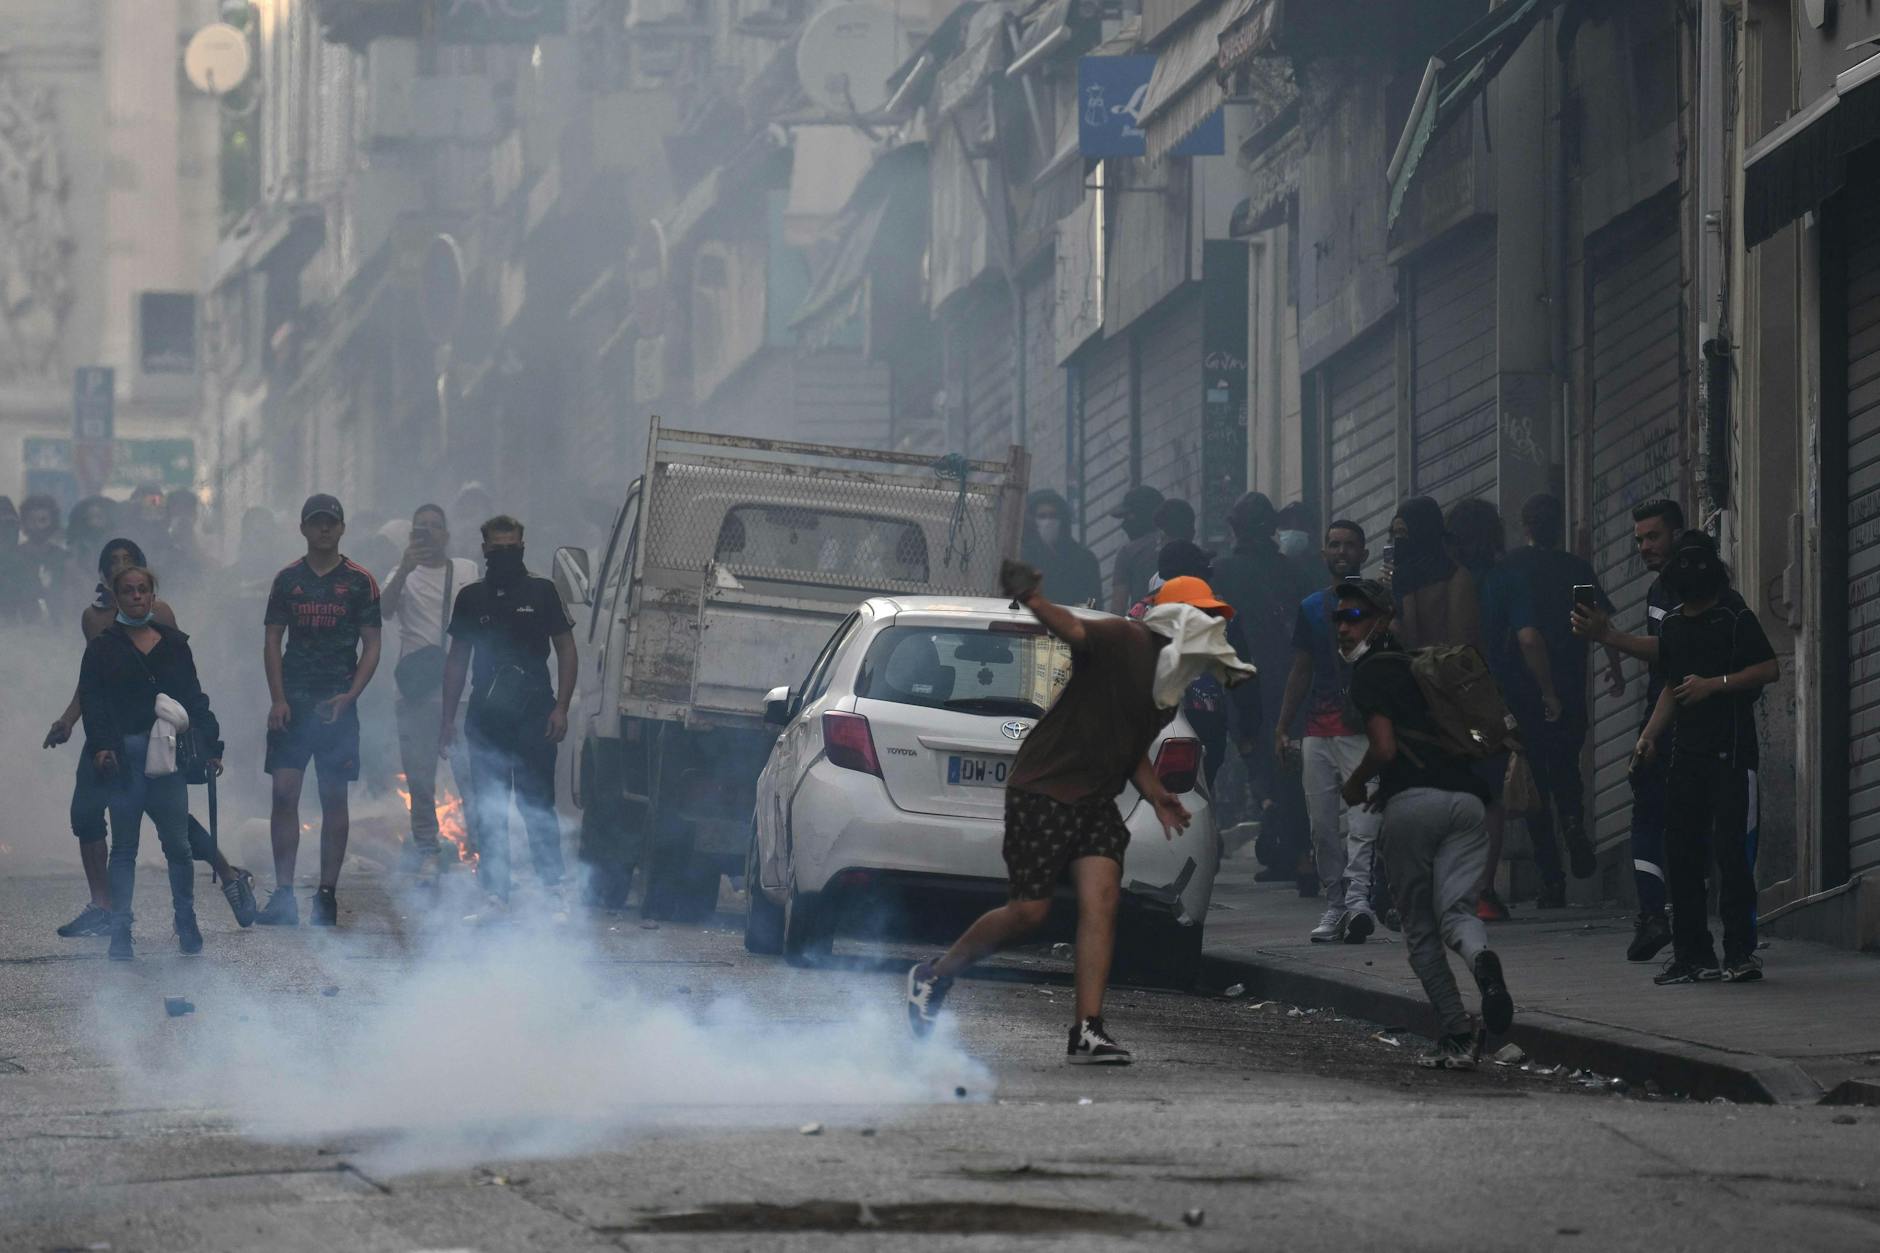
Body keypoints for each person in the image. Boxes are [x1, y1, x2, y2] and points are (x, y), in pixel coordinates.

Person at [906, 561, 1245, 1064]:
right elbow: (1074, 629)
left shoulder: (1169, 681)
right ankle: (935, 975)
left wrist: (1156, 794)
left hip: (1094, 801)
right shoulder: (1127, 639)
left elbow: (1130, 744)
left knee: (1102, 903)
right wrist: (1035, 600)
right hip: (1044, 790)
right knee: (1029, 913)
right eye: (1202, 616)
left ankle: (1087, 1030)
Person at [1338, 578, 1514, 1069]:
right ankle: (1483, 963)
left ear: (1382, 621)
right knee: (1458, 913)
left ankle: (1456, 1034)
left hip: (1413, 806)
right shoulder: (1422, 666)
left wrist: (1356, 785)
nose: (1343, 627)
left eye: (1354, 617)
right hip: (1467, 802)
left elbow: (1384, 748)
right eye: (1339, 617)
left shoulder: (1371, 673)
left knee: (1419, 928)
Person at [45, 539, 256, 936]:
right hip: (108, 731)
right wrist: (69, 721)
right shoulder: (94, 618)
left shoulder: (160, 615)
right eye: (114, 564)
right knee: (86, 813)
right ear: (106, 578)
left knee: (171, 821)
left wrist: (203, 738)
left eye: (129, 563)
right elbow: (93, 681)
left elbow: (174, 672)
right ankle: (104, 906)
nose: (122, 569)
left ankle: (228, 875)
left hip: (156, 732)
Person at [1571, 499, 1743, 961]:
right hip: (1673, 713)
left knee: (1665, 819)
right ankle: (1690, 930)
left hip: (1687, 720)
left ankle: (1663, 918)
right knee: (1675, 821)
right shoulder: (1669, 588)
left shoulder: (1684, 590)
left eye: (1654, 537)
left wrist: (1609, 636)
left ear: (1677, 534)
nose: (1645, 547)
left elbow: (1672, 653)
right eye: (1639, 540)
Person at [1636, 532, 1778, 984]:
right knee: (1683, 858)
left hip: (1731, 755)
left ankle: (1740, 953)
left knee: (1731, 855)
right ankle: (1693, 956)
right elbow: (1671, 687)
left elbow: (1768, 668)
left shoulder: (1733, 615)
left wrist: (1714, 685)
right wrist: (1648, 737)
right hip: (1686, 756)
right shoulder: (1673, 625)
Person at [79, 565, 224, 961]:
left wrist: (212, 745)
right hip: (124, 758)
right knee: (124, 848)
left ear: (153, 595)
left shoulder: (175, 645)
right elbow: (94, 704)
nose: (136, 596)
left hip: (170, 755)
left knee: (177, 844)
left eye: (143, 590)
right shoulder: (102, 649)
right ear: (117, 597)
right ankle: (121, 930)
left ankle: (185, 919)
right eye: (128, 591)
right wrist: (101, 747)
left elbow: (194, 697)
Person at [439, 515, 579, 920]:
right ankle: (495, 896)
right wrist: (447, 720)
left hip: (536, 714)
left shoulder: (542, 591)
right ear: (485, 549)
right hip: (486, 718)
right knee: (490, 809)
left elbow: (566, 649)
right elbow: (456, 661)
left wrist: (561, 707)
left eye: (511, 549)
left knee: (538, 804)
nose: (504, 555)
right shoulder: (471, 598)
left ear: (522, 547)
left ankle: (553, 892)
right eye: (497, 549)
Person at [257, 494, 383, 927]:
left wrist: (352, 695)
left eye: (331, 522)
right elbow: (272, 640)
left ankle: (327, 894)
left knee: (333, 796)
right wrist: (278, 697)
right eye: (316, 522)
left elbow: (373, 644)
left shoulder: (360, 581)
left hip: (337, 706)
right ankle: (284, 893)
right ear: (304, 529)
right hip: (293, 703)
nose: (324, 529)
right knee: (284, 792)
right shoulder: (288, 580)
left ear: (342, 528)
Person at [1500, 493, 1624, 899]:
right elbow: (1598, 623)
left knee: (1532, 780)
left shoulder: (1510, 567)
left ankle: (1551, 879)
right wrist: (1616, 667)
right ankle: (1572, 823)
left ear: (1525, 526)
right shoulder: (1576, 569)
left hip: (1522, 690)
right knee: (1566, 768)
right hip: (1569, 685)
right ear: (1560, 527)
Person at [1445, 498, 1555, 920]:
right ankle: (1482, 893)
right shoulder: (1508, 578)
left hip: (1441, 699)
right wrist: (1548, 692)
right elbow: (1528, 638)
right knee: (1490, 795)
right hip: (1492, 697)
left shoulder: (1438, 581)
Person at [1274, 519, 1382, 942]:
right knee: (1322, 826)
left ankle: (1358, 902)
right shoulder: (1311, 607)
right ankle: (1336, 904)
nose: (1342, 552)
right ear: (1324, 554)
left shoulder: (1380, 601)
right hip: (1318, 729)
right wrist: (1283, 726)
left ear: (1364, 553)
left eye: (1350, 545)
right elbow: (1300, 669)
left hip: (1363, 729)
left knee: (1363, 821)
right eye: (1334, 545)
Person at [1209, 492, 1317, 893]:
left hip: (1242, 682)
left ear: (1235, 529)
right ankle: (1295, 853)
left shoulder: (1222, 572)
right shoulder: (1294, 570)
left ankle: (1291, 847)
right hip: (1292, 678)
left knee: (1259, 763)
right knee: (1288, 765)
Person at [382, 504, 479, 869]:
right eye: (421, 527)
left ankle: (481, 847)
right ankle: (427, 851)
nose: (429, 533)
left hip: (462, 694)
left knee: (470, 777)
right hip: (416, 694)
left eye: (435, 526)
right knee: (420, 779)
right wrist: (404, 569)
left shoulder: (467, 571)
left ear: (446, 534)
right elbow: (383, 610)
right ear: (411, 535)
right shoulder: (400, 573)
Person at [1126, 541, 1263, 790]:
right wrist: (1249, 726)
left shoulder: (1139, 611)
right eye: (1202, 566)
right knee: (1199, 788)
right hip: (1204, 716)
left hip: (1152, 719)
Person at [1020, 490, 1101, 609]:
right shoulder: (1023, 558)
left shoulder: (1084, 559)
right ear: (1032, 520)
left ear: (1063, 520)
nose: (1048, 522)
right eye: (1042, 516)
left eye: (1054, 516)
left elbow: (1093, 603)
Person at [1108, 485, 1165, 614]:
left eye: (1128, 517)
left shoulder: (1128, 553)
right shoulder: (1186, 548)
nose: (1124, 524)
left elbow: (1117, 609)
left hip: (1144, 625)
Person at [17, 493, 68, 624]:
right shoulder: (16, 556)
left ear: (53, 521)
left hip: (57, 623)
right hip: (23, 624)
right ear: (24, 523)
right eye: (31, 521)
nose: (37, 526)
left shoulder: (63, 557)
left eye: (43, 520)